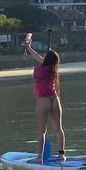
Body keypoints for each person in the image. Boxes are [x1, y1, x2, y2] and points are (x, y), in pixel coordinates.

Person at [23, 34, 66, 162]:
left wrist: (27, 47)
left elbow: (40, 61)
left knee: (42, 131)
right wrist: (28, 48)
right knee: (59, 129)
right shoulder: (54, 69)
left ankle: (39, 157)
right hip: (54, 99)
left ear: (46, 59)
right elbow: (39, 58)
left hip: (43, 100)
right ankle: (62, 155)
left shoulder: (39, 70)